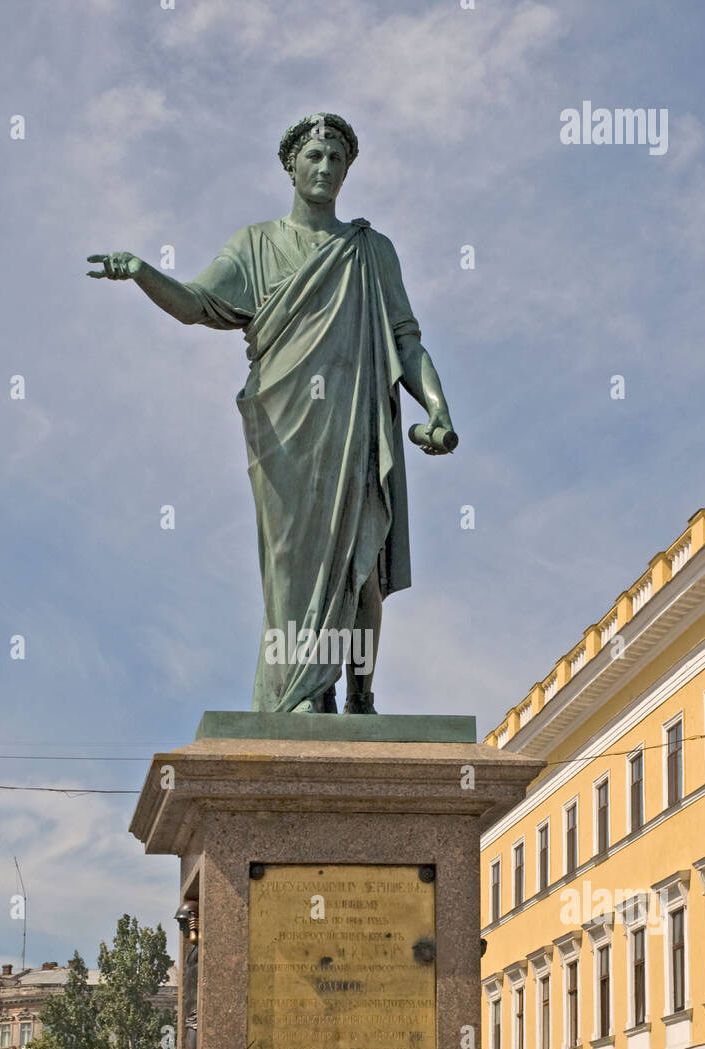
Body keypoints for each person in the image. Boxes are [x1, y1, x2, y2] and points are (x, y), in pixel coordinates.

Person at [88, 113, 455, 714]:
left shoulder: (370, 250)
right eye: (315, 156)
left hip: (355, 419)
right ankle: (305, 693)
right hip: (285, 429)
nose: (326, 167)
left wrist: (438, 409)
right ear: (291, 166)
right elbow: (197, 304)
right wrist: (144, 274)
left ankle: (359, 697)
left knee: (362, 561)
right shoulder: (255, 245)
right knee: (291, 565)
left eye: (336, 159)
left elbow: (405, 340)